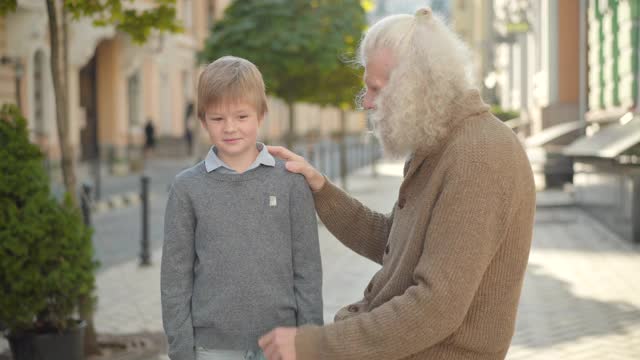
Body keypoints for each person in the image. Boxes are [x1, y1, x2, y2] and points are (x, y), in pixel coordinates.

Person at [259, 8, 536, 360]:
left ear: (415, 86)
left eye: (376, 89)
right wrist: (321, 190)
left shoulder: (478, 157)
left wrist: (316, 345)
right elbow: (396, 245)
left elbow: (434, 308)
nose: (368, 102)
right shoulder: (439, 139)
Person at [161, 56, 324, 360]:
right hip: (212, 349)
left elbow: (308, 272)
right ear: (202, 120)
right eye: (218, 118)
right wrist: (182, 351)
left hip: (282, 345)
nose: (230, 128)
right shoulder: (187, 188)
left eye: (241, 116)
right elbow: (175, 279)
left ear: (261, 115)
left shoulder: (290, 181)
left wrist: (310, 342)